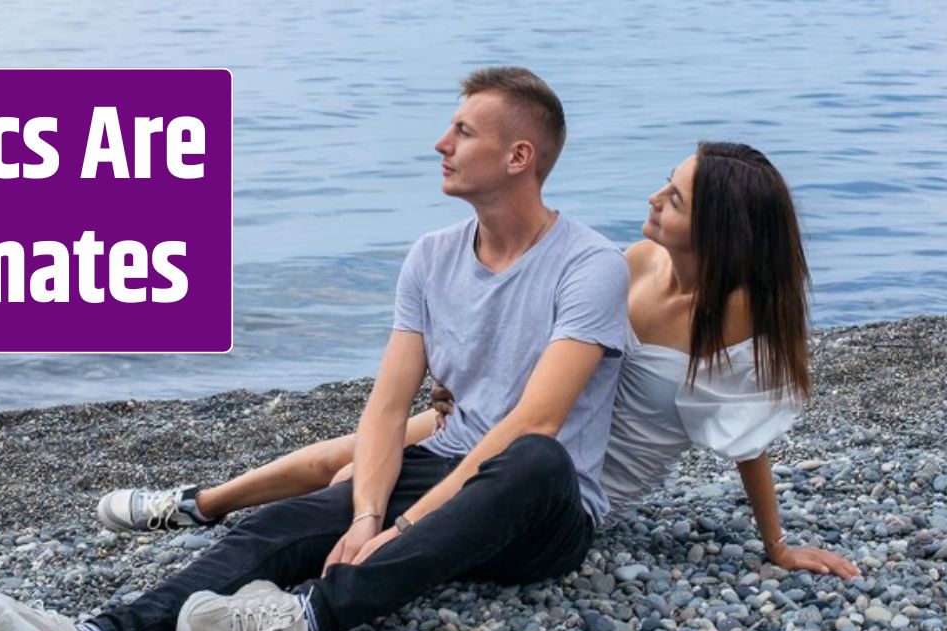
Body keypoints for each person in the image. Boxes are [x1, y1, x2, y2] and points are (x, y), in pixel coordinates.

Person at [0, 66, 631, 631]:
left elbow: (533, 421)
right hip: (448, 465)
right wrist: (363, 514)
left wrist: (406, 523)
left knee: (536, 456)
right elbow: (388, 408)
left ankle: (304, 616)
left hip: (538, 509)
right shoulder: (430, 255)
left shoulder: (588, 264)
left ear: (519, 156)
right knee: (283, 523)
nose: (440, 144)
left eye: (462, 131)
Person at [99, 142, 861, 580]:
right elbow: (558, 348)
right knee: (364, 449)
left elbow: (748, 434)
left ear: (719, 231)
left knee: (358, 482)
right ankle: (198, 502)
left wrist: (776, 544)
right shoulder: (631, 264)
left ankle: (279, 556)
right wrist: (465, 379)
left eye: (677, 198)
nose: (654, 197)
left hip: (566, 472)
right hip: (519, 412)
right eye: (666, 183)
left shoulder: (739, 319)